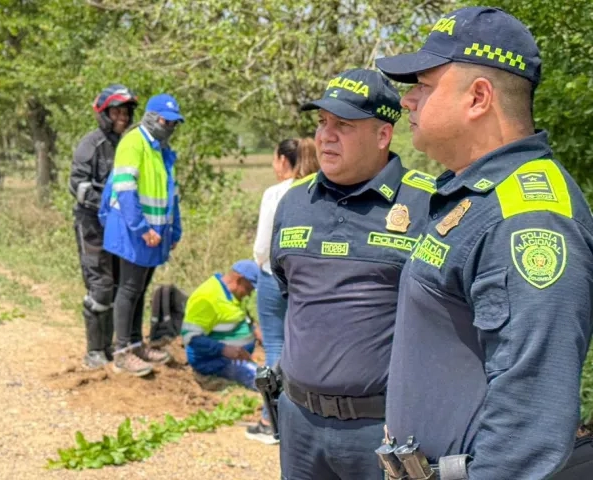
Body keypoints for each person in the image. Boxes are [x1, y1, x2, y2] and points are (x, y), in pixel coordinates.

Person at [374, 6, 593, 479]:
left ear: (478, 98)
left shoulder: (528, 216)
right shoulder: (475, 193)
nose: (407, 101)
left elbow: (530, 409)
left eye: (423, 85)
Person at [270, 68, 435, 479]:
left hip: (383, 430)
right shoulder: (293, 202)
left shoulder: (427, 203)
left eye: (343, 124)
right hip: (300, 423)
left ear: (383, 136)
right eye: (323, 122)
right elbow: (288, 292)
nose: (326, 135)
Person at [100, 93, 184, 377]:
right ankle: (122, 351)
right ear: (150, 117)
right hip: (133, 230)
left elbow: (171, 195)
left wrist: (173, 230)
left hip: (155, 233)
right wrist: (142, 229)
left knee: (140, 290)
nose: (169, 126)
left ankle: (136, 343)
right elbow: (125, 189)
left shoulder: (161, 149)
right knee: (128, 289)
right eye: (165, 120)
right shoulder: (133, 142)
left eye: (173, 123)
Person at [247, 137, 318, 444]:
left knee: (274, 343)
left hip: (273, 276)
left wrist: (260, 262)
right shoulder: (320, 189)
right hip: (308, 278)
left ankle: (270, 418)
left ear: (283, 160)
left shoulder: (276, 193)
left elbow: (263, 245)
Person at [69, 84, 139, 369]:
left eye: (126, 111)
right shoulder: (91, 144)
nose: (122, 116)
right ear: (104, 112)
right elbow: (76, 184)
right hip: (92, 225)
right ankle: (94, 351)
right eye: (116, 111)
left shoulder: (129, 143)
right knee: (101, 284)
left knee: (121, 283)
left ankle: (111, 346)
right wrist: (109, 202)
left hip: (119, 227)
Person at [180, 260, 260, 389]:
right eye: (249, 288)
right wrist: (224, 349)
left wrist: (256, 331)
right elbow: (190, 336)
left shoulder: (232, 294)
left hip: (236, 358)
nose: (250, 293)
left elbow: (241, 318)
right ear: (239, 280)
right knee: (264, 382)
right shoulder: (206, 298)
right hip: (213, 361)